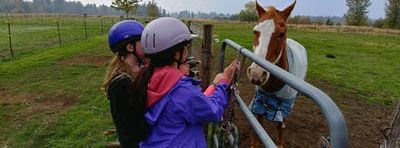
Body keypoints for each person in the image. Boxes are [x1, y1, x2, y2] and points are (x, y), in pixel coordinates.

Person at [136, 17, 240, 147]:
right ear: (175, 53)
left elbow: (190, 104)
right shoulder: (180, 89)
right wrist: (223, 82)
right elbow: (212, 111)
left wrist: (213, 85)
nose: (186, 51)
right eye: (185, 47)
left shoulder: (148, 76)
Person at [103, 20, 147, 148]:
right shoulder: (121, 82)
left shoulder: (140, 69)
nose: (147, 45)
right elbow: (126, 125)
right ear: (130, 47)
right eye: (142, 42)